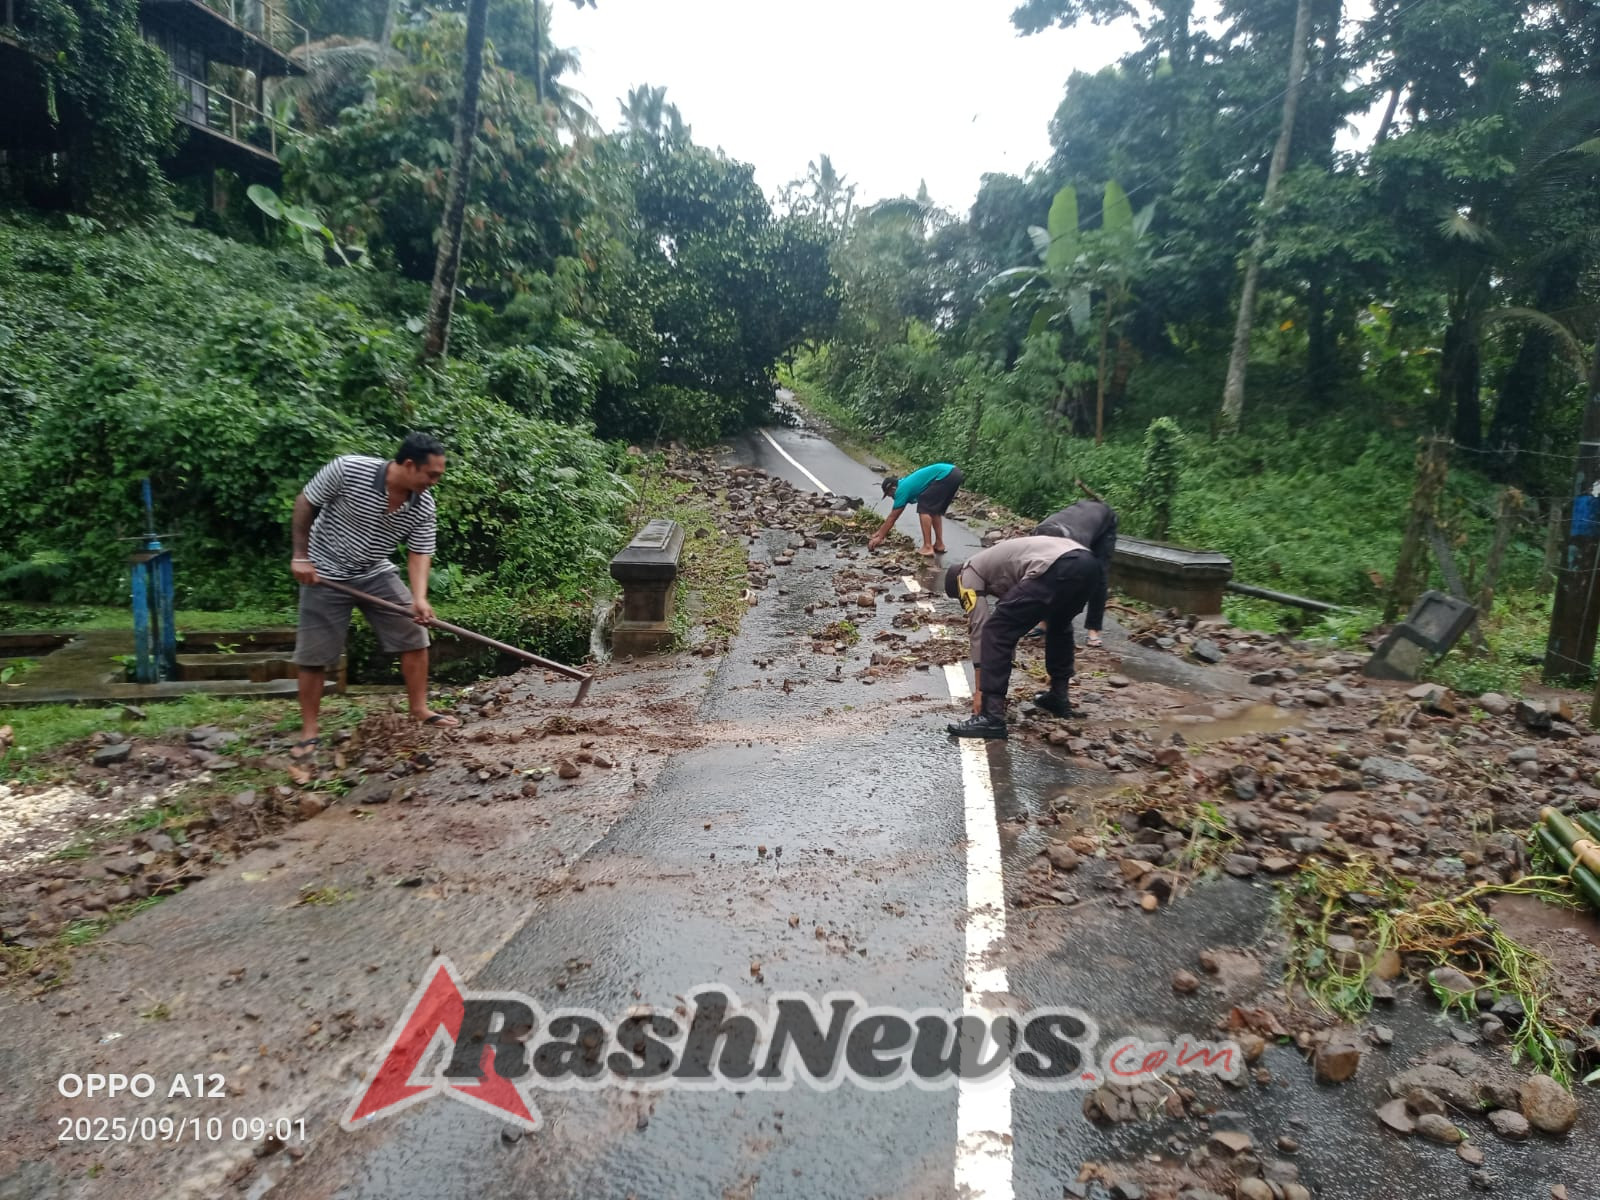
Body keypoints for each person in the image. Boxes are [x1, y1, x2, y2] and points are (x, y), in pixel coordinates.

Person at [288, 433, 458, 759]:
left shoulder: (422, 503)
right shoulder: (348, 470)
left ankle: (419, 709)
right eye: (432, 474)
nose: (435, 482)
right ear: (409, 465)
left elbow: (420, 551)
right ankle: (309, 731)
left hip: (374, 571)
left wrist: (419, 598)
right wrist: (301, 556)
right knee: (314, 655)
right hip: (324, 572)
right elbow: (306, 502)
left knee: (414, 633)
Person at [943, 535, 1104, 740]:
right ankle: (1058, 696)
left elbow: (981, 629)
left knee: (995, 630)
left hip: (1058, 565)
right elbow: (1013, 628)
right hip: (1088, 564)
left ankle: (991, 716)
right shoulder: (997, 569)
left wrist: (981, 692)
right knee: (1059, 624)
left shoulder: (966, 573)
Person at [1032, 497, 1118, 648]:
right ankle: (1045, 621)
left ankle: (1094, 629)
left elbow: (1073, 582)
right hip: (1078, 517)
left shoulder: (1075, 546)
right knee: (1048, 576)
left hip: (1104, 524)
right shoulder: (1038, 533)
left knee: (1098, 575)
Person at [866, 463, 963, 556]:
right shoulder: (904, 483)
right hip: (954, 473)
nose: (892, 498)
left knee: (924, 508)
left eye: (890, 495)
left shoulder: (901, 490)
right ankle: (939, 544)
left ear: (893, 488)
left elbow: (893, 517)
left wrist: (880, 537)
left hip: (945, 475)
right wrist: (880, 532)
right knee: (934, 511)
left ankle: (927, 547)